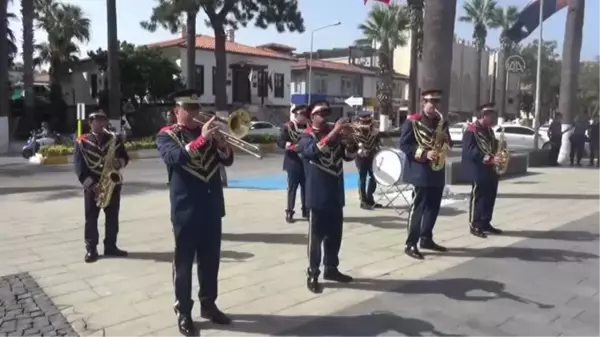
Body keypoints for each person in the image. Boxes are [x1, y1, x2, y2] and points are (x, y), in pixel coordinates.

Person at [156, 89, 233, 337]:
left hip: (211, 208)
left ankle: (209, 305)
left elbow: (226, 161)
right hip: (185, 210)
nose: (193, 112)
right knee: (184, 265)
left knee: (211, 263)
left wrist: (223, 144)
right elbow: (174, 158)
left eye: (195, 107)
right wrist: (201, 139)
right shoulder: (166, 135)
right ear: (175, 111)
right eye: (187, 108)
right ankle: (184, 311)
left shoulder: (210, 134)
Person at [296, 100, 357, 294]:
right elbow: (311, 152)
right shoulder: (306, 137)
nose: (325, 117)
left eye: (327, 113)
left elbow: (348, 156)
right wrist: (333, 133)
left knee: (335, 236)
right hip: (317, 196)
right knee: (315, 239)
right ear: (311, 116)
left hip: (335, 193)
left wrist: (351, 141)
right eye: (321, 113)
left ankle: (331, 268)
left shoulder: (335, 136)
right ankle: (313, 273)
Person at [398, 89, 452, 260]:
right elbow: (404, 145)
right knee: (418, 207)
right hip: (420, 170)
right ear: (423, 103)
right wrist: (424, 153)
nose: (433, 105)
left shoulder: (441, 121)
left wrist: (445, 143)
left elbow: (448, 142)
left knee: (433, 206)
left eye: (436, 102)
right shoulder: (412, 121)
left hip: (437, 169)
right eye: (430, 102)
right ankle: (410, 243)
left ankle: (426, 238)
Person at [73, 111, 129, 263]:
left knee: (112, 218)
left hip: (112, 185)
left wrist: (119, 163)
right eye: (97, 121)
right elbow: (79, 169)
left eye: (103, 121)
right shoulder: (82, 142)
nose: (101, 124)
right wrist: (92, 185)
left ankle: (111, 246)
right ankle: (91, 249)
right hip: (93, 186)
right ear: (90, 123)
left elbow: (125, 157)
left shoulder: (114, 139)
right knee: (91, 219)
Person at [461, 103, 504, 238]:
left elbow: (492, 147)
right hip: (477, 169)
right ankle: (475, 224)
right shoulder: (471, 130)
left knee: (490, 196)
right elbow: (470, 152)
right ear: (484, 116)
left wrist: (500, 153)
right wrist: (490, 158)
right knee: (478, 197)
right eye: (492, 117)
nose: (494, 120)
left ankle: (485, 222)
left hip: (490, 170)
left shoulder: (489, 130)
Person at [276, 105, 310, 223]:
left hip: (305, 161)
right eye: (302, 114)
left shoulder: (308, 127)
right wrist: (290, 146)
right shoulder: (288, 127)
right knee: (292, 188)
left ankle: (306, 210)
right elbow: (280, 141)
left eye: (306, 115)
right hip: (293, 161)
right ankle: (289, 212)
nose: (305, 117)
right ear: (296, 114)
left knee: (306, 187)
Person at [354, 110, 381, 209]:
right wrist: (360, 148)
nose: (367, 124)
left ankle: (370, 198)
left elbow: (377, 142)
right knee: (362, 178)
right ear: (360, 121)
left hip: (372, 155)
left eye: (368, 121)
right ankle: (363, 201)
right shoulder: (355, 130)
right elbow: (352, 144)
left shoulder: (373, 129)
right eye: (365, 122)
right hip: (360, 157)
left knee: (374, 177)